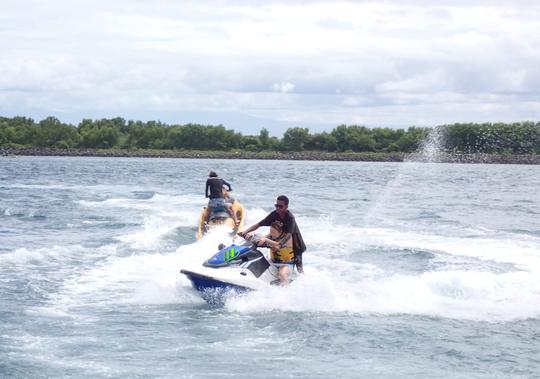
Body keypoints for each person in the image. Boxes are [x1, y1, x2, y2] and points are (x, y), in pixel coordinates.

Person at [238, 195, 306, 273]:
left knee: (299, 269)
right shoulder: (274, 214)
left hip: (295, 244)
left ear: (286, 206)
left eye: (280, 206)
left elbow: (288, 235)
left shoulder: (290, 217)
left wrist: (279, 244)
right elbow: (258, 224)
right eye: (276, 205)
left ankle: (300, 279)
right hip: (279, 240)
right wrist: (245, 232)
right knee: (262, 242)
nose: (278, 208)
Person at [256, 220, 294, 284]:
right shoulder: (271, 235)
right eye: (270, 231)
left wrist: (265, 239)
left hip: (286, 264)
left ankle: (286, 290)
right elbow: (261, 239)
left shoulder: (288, 238)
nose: (271, 233)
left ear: (280, 232)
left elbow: (277, 245)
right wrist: (252, 236)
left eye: (273, 232)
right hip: (273, 263)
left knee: (281, 274)